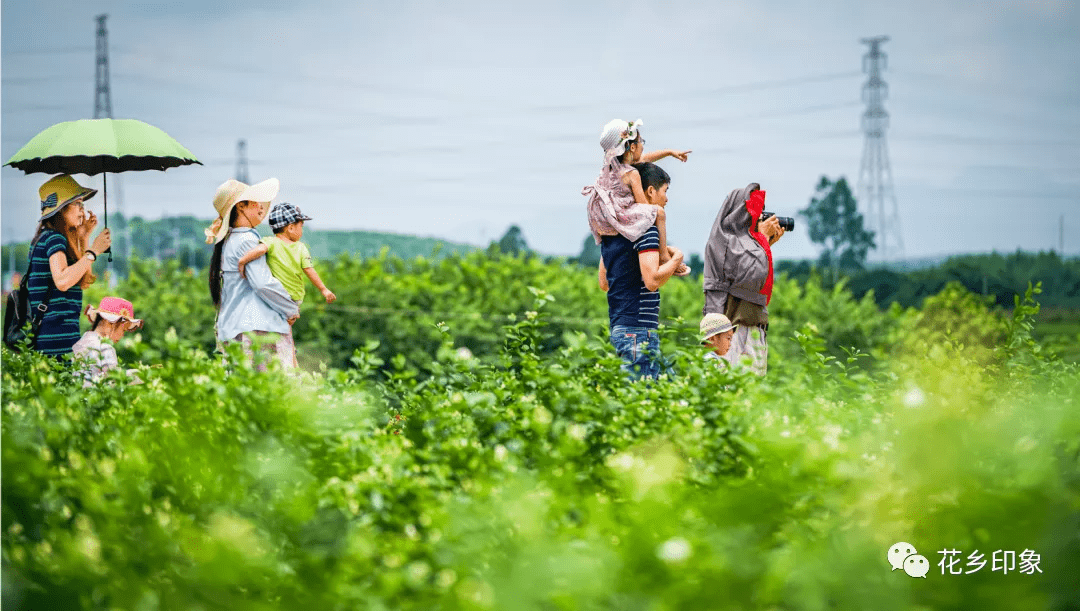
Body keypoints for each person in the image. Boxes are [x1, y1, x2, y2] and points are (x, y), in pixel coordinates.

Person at [597, 162, 684, 380]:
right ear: (651, 191)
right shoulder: (646, 231)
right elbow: (652, 280)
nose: (666, 199)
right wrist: (677, 259)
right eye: (665, 191)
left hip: (621, 327)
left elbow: (604, 282)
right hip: (638, 330)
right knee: (641, 399)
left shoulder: (614, 232)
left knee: (667, 386)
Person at [205, 178, 300, 371]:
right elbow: (263, 283)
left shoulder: (231, 240)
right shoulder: (247, 240)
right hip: (257, 328)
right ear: (241, 206)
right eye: (254, 201)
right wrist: (290, 307)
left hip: (236, 326)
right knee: (273, 389)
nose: (260, 207)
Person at [583, 118, 691, 275]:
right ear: (632, 147)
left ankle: (661, 250)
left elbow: (645, 159)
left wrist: (669, 152)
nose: (643, 146)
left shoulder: (612, 167)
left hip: (605, 217)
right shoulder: (632, 173)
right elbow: (644, 207)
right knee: (658, 213)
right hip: (622, 214)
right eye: (642, 142)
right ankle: (664, 256)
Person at [702, 183, 786, 376]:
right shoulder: (724, 241)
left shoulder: (743, 244)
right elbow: (751, 275)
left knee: (753, 394)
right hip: (734, 330)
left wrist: (765, 244)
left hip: (752, 327)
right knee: (738, 390)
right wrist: (762, 240)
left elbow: (756, 279)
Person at [26, 175, 111, 357]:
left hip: (57, 337)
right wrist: (94, 251)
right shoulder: (54, 238)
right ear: (62, 209)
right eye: (78, 204)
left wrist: (84, 237)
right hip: (55, 340)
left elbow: (83, 280)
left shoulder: (47, 237)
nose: (83, 211)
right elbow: (63, 281)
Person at [236, 202, 336, 305]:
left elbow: (260, 250)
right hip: (295, 297)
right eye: (301, 226)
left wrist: (243, 261)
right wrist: (323, 289)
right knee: (287, 318)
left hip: (275, 294)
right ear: (291, 228)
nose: (302, 230)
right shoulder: (301, 247)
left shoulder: (271, 242)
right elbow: (309, 270)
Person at [72, 296, 144, 386]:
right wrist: (141, 375)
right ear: (108, 322)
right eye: (123, 330)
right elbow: (114, 380)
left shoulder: (83, 341)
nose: (122, 335)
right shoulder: (104, 347)